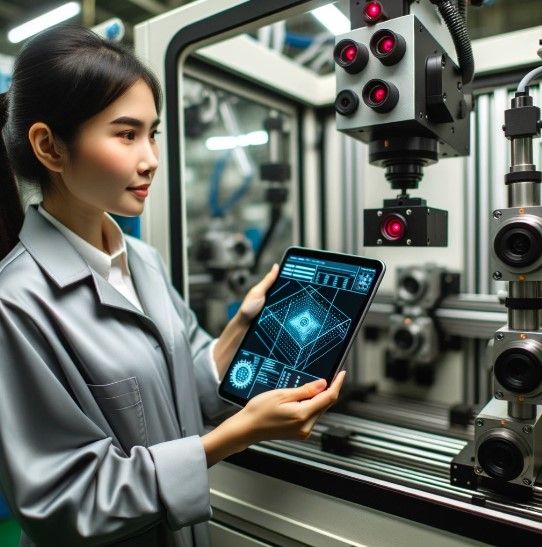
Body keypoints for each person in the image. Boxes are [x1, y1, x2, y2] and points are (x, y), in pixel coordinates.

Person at [0, 25, 345, 547]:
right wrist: (234, 437)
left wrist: (240, 328)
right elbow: (65, 503)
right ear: (50, 146)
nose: (151, 158)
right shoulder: (15, 303)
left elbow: (187, 386)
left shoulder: (142, 261)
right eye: (125, 134)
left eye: (152, 132)